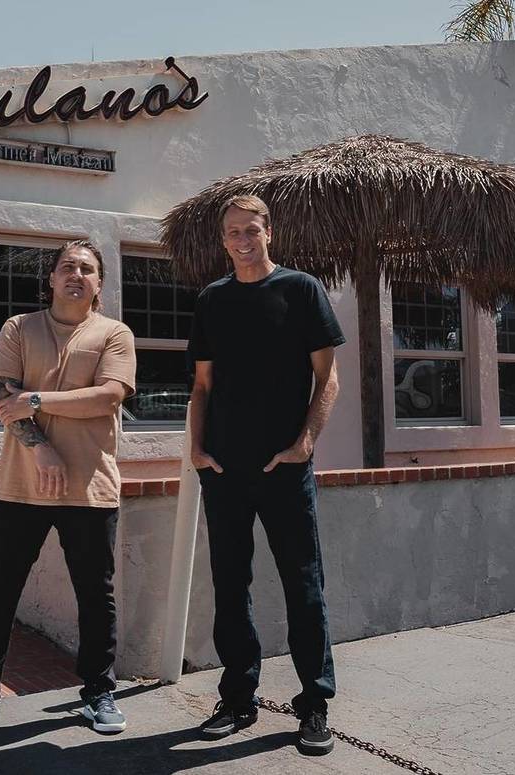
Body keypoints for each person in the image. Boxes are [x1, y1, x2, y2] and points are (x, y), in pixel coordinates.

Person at [0, 240, 136, 735]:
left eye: (87, 269)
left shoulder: (115, 334)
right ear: (50, 278)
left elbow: (109, 396)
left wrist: (38, 399)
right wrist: (41, 444)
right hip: (21, 485)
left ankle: (99, 691)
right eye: (67, 266)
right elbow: (2, 399)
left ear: (99, 284)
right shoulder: (19, 328)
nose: (76, 275)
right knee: (0, 590)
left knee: (96, 594)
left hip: (90, 488)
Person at [188, 195, 344, 753]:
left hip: (284, 467)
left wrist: (304, 443)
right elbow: (202, 385)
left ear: (268, 231)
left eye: (250, 229)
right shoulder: (212, 300)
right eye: (232, 232)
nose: (241, 239)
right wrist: (196, 449)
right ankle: (238, 698)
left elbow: (327, 377)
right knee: (231, 586)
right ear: (223, 239)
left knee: (303, 584)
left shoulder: (301, 290)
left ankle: (314, 703)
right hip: (224, 469)